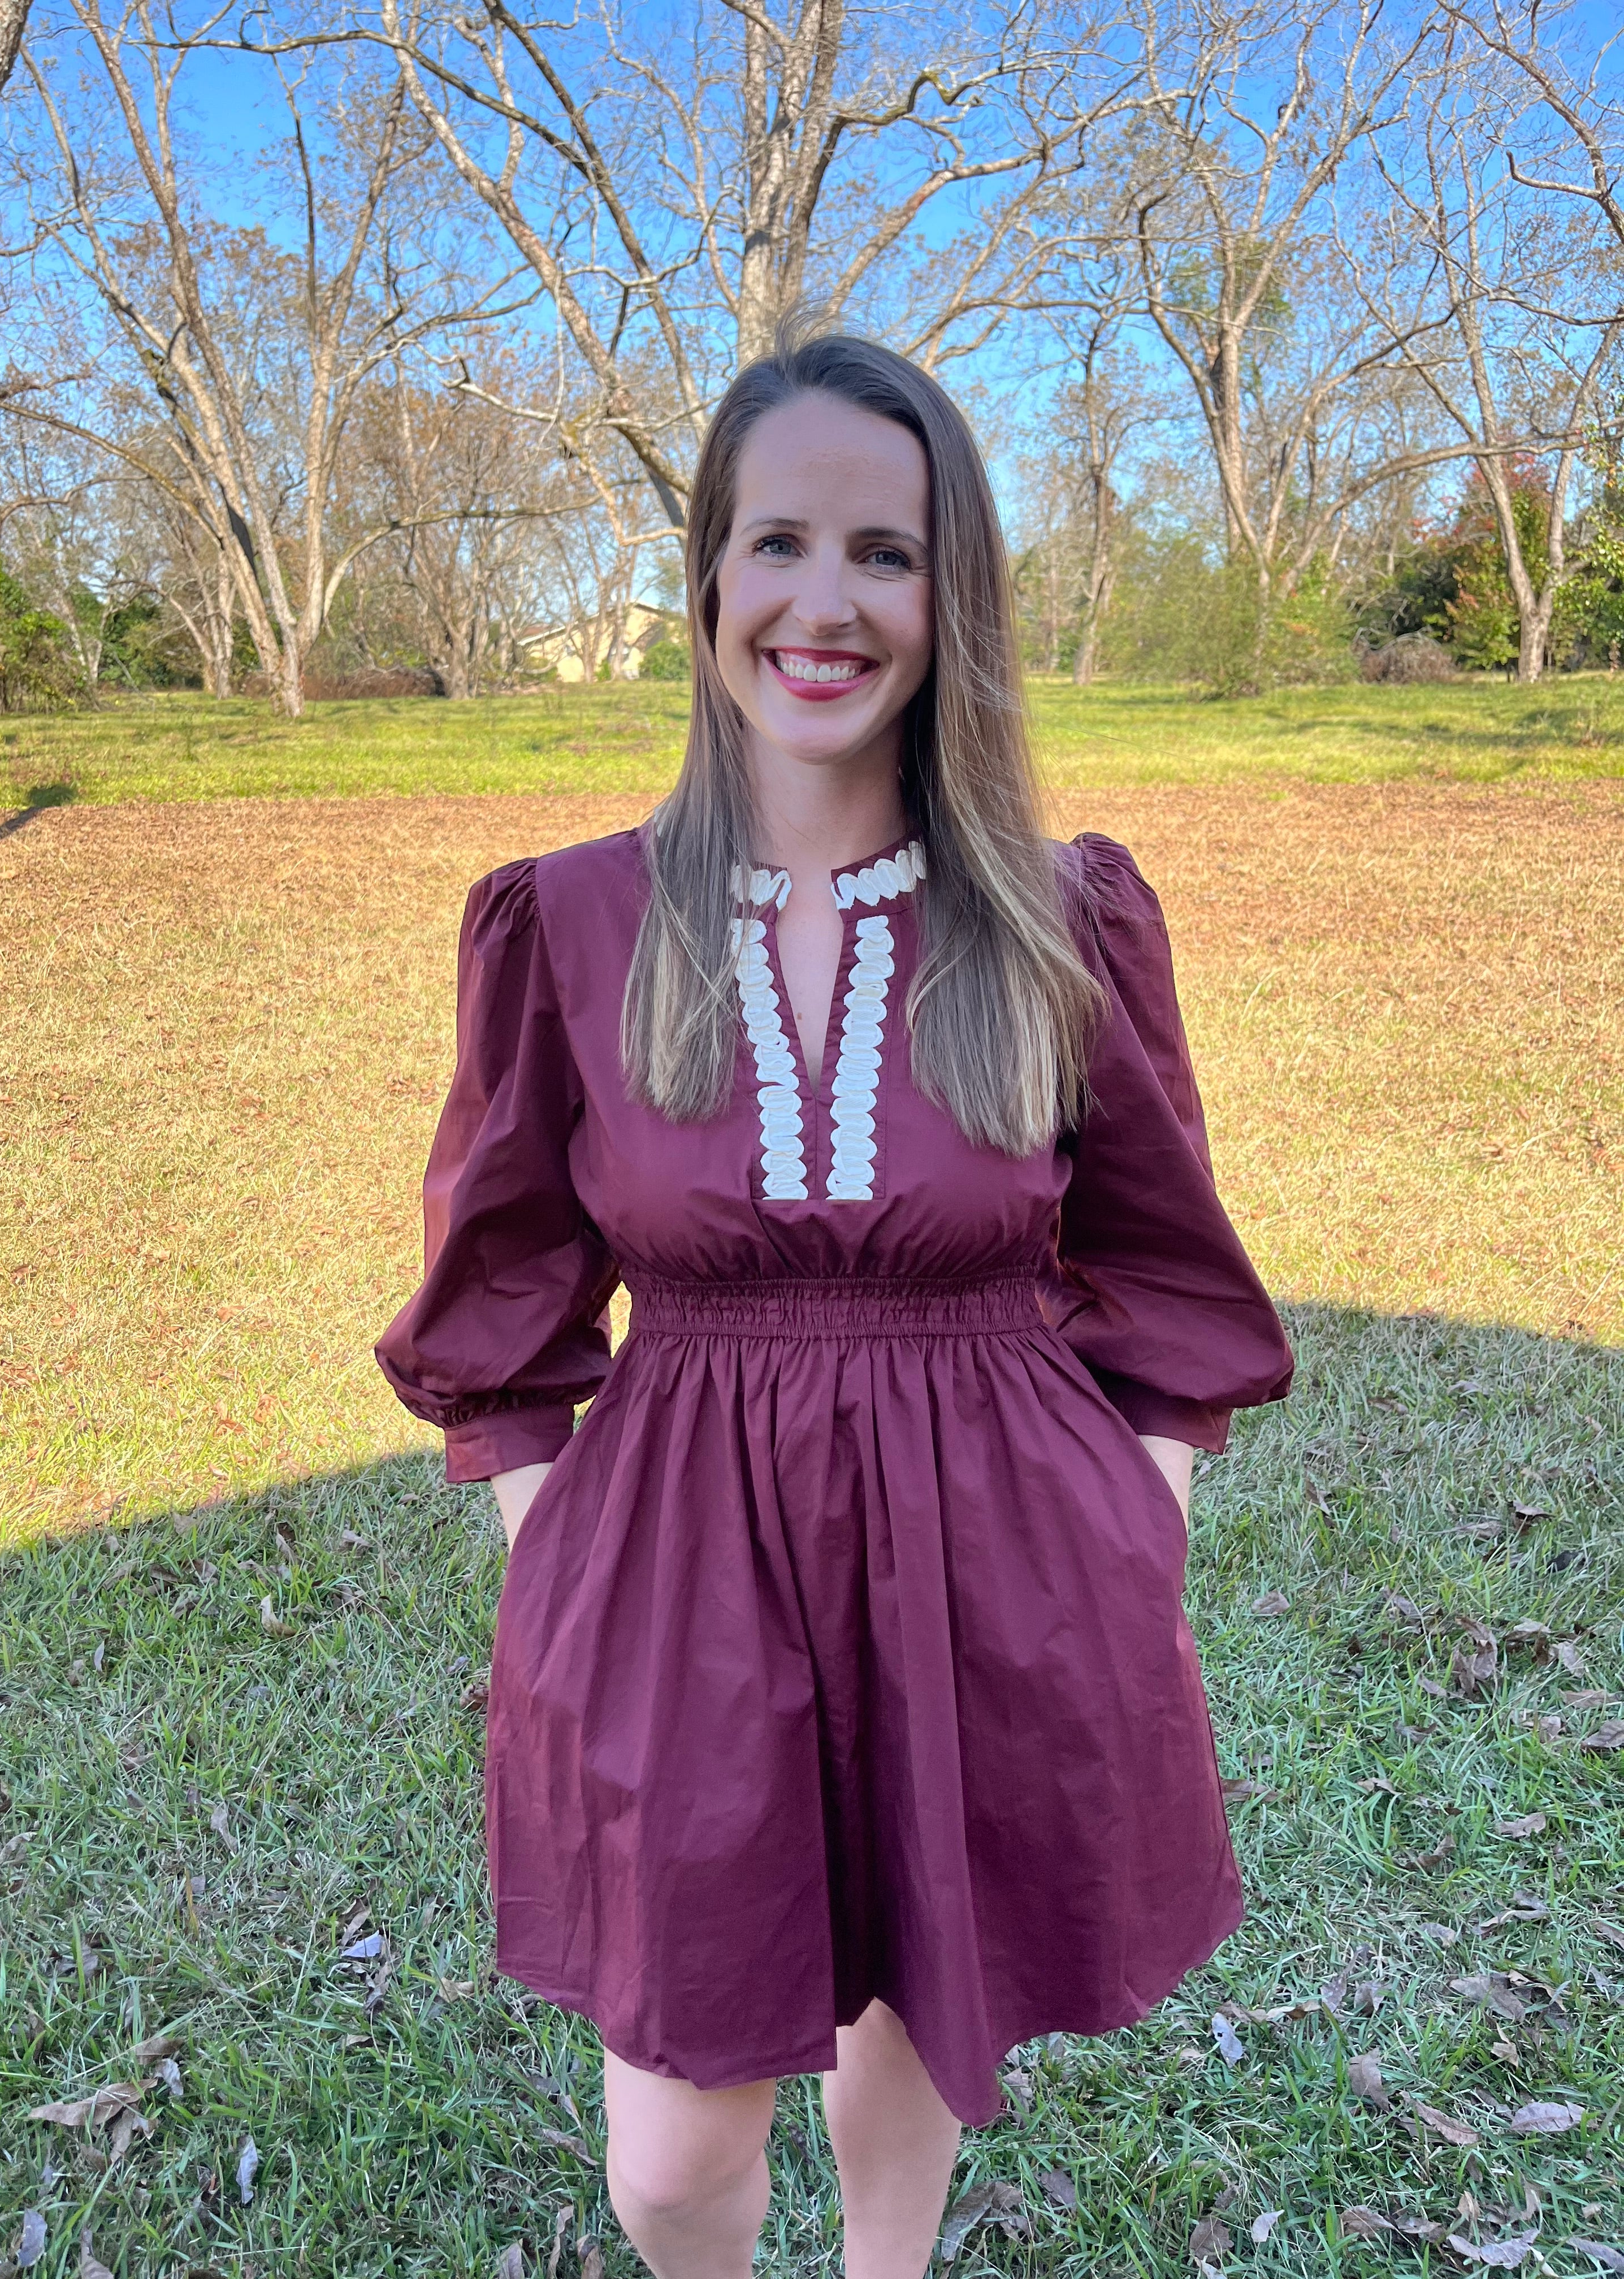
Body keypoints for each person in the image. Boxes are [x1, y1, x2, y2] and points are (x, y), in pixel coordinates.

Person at [377, 327, 1294, 2279]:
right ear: (709, 573)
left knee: (920, 2005)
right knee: (670, 2156)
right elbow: (503, 1292)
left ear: (953, 599)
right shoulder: (574, 920)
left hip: (996, 1555)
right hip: (681, 1569)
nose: (827, 603)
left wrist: (1134, 1521)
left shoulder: (1055, 917)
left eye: (887, 553)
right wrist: (567, 1552)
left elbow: (1163, 1265)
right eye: (779, 542)